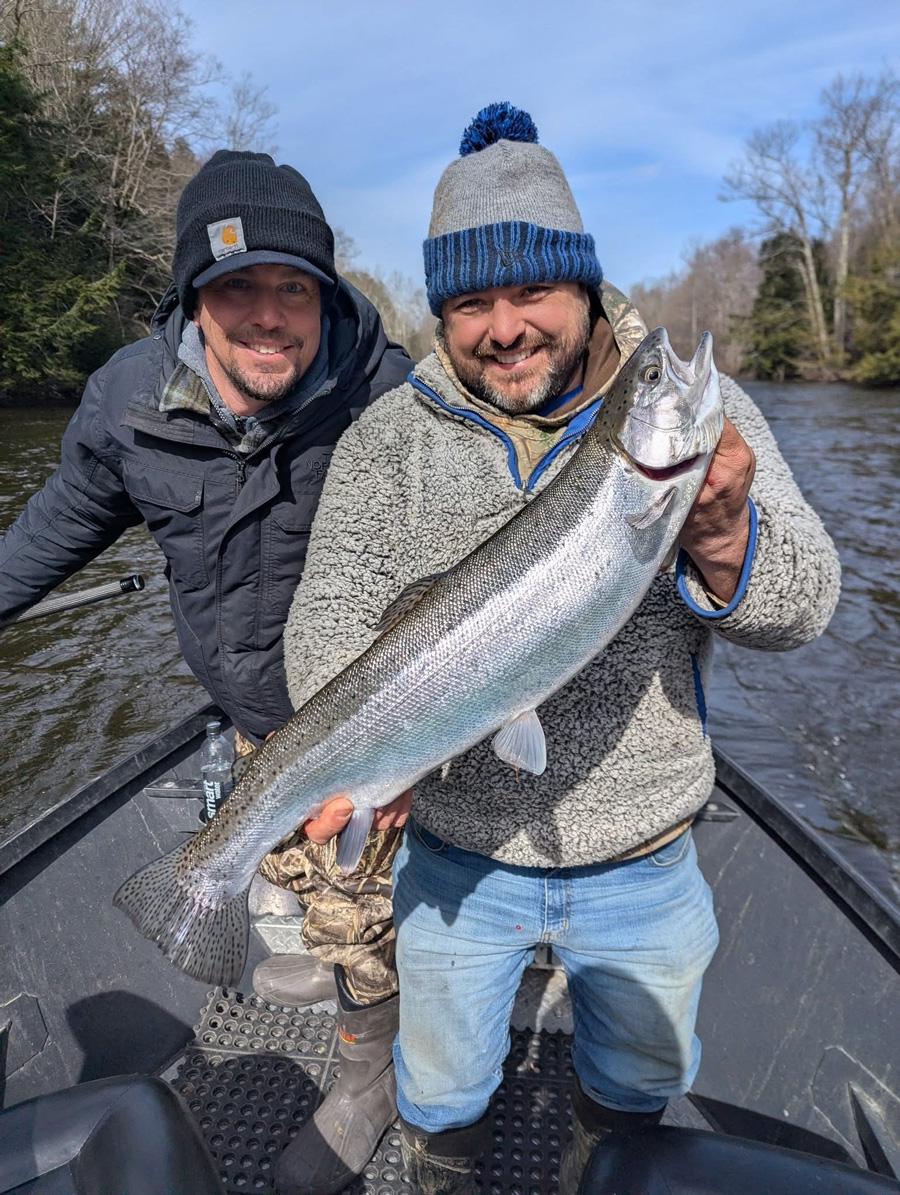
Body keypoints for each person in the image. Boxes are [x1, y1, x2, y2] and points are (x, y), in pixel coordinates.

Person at [274, 103, 842, 1195]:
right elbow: (328, 623)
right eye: (471, 302)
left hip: (645, 853)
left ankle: (606, 1167)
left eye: (533, 289)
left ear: (582, 284)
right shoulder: (387, 441)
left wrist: (725, 533)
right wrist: (384, 753)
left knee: (634, 1088)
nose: (505, 328)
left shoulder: (698, 417)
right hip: (456, 859)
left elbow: (805, 607)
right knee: (439, 1089)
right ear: (443, 311)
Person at [0, 149, 413, 1135]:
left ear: (325, 296)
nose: (269, 316)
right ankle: (319, 942)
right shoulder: (128, 403)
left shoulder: (390, 398)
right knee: (294, 873)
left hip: (374, 722)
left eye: (293, 288)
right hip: (248, 717)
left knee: (365, 919)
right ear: (194, 298)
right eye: (237, 287)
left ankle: (368, 1069)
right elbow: (55, 528)